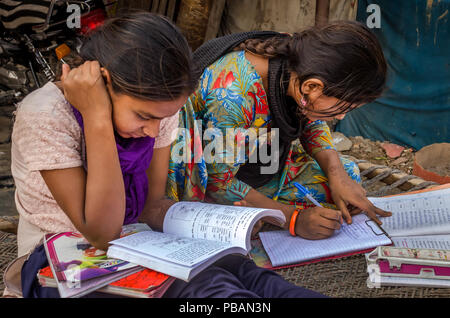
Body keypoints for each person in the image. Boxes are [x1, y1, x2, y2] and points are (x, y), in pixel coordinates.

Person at [10, 11, 323, 298]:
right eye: (144, 116)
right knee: (214, 292)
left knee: (249, 275)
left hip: (140, 240)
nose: (152, 131)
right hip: (63, 258)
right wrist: (97, 118)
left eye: (162, 119)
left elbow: (150, 205)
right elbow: (102, 232)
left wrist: (226, 223)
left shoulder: (158, 108)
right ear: (104, 84)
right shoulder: (48, 115)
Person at [165, 21, 392, 240]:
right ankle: (250, 213)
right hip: (207, 182)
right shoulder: (234, 94)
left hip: (259, 167)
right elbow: (218, 182)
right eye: (342, 107)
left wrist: (337, 175)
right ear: (312, 87)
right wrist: (292, 219)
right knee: (233, 212)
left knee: (348, 174)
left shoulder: (298, 64)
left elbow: (310, 118)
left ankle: (258, 210)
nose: (341, 116)